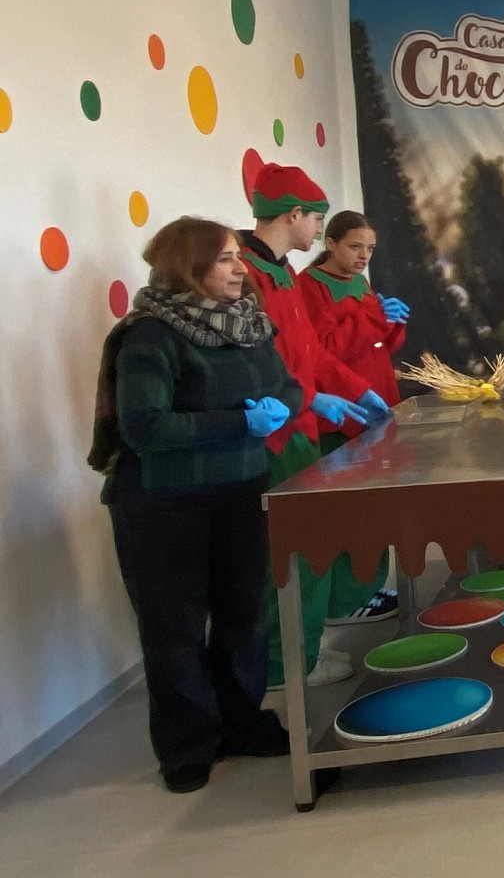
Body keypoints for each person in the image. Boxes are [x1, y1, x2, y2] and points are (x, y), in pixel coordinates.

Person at [89, 218, 304, 792]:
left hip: (240, 489)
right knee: (175, 627)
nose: (240, 267)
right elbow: (144, 426)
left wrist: (283, 408)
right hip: (164, 501)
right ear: (188, 267)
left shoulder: (250, 323)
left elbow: (286, 384)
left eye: (238, 256)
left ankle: (241, 724)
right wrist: (238, 423)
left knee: (243, 615)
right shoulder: (150, 335)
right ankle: (187, 747)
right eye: (226, 258)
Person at [238, 163, 392, 689]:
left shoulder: (279, 271)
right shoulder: (251, 274)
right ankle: (286, 666)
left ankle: (302, 652)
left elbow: (312, 356)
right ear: (295, 214)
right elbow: (262, 362)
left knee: (312, 549)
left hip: (301, 426)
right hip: (277, 433)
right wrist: (309, 397)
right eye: (318, 221)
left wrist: (356, 390)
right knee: (291, 555)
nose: (318, 231)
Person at [297, 211, 408, 407]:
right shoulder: (309, 283)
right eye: (355, 247)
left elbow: (383, 345)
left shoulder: (360, 280)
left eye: (370, 248)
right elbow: (325, 349)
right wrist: (376, 318)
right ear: (331, 244)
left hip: (380, 387)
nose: (364, 256)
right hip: (346, 396)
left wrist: (393, 323)